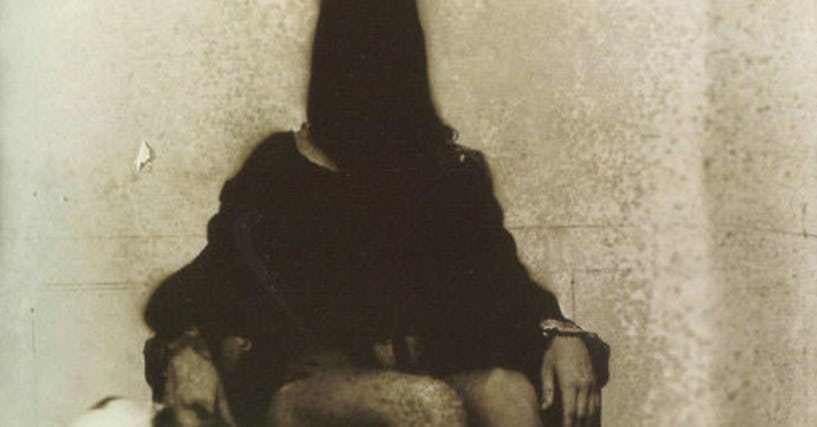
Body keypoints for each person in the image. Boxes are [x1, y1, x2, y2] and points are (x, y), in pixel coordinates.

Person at [144, 1, 609, 426]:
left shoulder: (448, 174)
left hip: (419, 376)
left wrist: (562, 336)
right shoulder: (279, 172)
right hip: (303, 390)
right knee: (428, 405)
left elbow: (507, 286)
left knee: (510, 396)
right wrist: (187, 351)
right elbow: (189, 294)